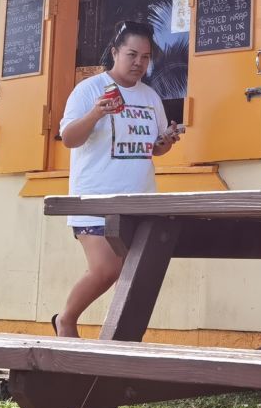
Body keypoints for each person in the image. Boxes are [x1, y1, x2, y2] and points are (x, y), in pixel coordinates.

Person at [53, 20, 182, 338]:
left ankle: (115, 343)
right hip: (95, 199)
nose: (139, 63)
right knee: (107, 268)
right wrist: (96, 113)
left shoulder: (151, 97)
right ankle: (66, 320)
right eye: (132, 54)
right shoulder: (89, 90)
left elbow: (152, 149)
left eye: (146, 57)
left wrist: (164, 142)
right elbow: (68, 138)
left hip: (139, 201)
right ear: (115, 52)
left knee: (132, 275)